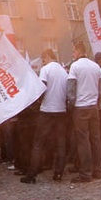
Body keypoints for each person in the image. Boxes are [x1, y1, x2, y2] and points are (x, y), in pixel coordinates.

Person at [21, 48, 68, 184]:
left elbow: (42, 88)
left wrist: (38, 102)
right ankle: (58, 173)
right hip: (61, 110)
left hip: (47, 110)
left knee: (38, 144)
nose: (42, 62)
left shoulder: (46, 69)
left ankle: (32, 175)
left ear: (47, 57)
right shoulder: (63, 71)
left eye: (43, 59)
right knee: (61, 144)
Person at [66, 41, 101, 183]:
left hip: (81, 107)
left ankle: (86, 173)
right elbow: (100, 87)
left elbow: (70, 90)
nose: (73, 54)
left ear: (79, 51)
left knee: (83, 141)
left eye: (74, 52)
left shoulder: (75, 66)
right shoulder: (95, 66)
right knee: (96, 139)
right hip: (93, 107)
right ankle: (97, 170)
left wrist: (71, 106)